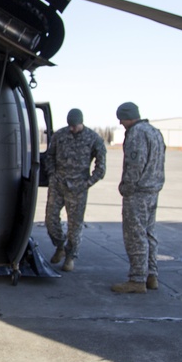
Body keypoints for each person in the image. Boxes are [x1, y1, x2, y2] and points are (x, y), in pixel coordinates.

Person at [112, 102, 166, 294]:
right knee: (149, 233)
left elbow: (135, 164)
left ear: (128, 117)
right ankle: (151, 275)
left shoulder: (136, 133)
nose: (120, 123)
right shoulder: (154, 132)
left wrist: (127, 187)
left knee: (135, 234)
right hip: (152, 190)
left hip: (138, 192)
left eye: (121, 118)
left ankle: (137, 279)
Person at [44, 108, 106, 272]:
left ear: (81, 122)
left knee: (75, 225)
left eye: (75, 126)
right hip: (58, 185)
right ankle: (60, 246)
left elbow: (101, 167)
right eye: (70, 125)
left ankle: (70, 256)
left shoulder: (93, 139)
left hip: (78, 188)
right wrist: (52, 174)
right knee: (50, 220)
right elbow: (49, 156)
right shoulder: (60, 135)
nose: (72, 128)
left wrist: (88, 183)